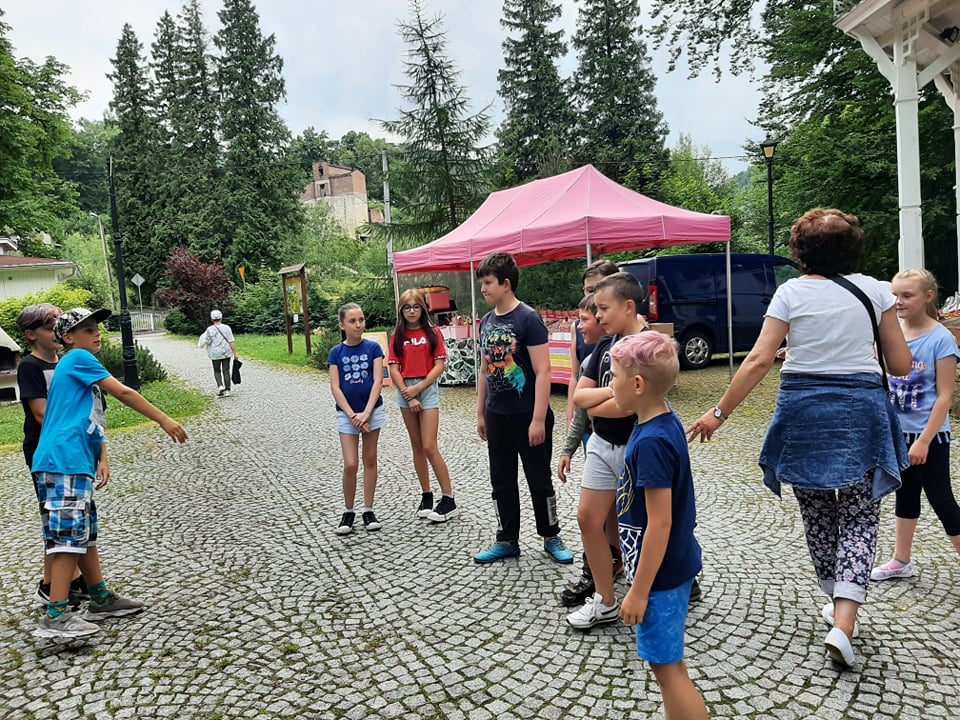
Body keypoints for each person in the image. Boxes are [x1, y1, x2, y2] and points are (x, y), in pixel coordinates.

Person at [686, 208, 912, 669]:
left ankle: (837, 604)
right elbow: (901, 365)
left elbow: (757, 361)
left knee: (817, 514)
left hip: (803, 411)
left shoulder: (790, 292)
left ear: (801, 250)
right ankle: (844, 620)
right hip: (862, 411)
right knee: (860, 516)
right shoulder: (876, 291)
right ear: (854, 248)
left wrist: (719, 413)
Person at [32, 308, 189, 639]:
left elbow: (91, 418)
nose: (97, 334)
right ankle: (56, 615)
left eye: (97, 328)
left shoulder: (75, 365)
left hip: (73, 462)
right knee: (67, 539)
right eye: (88, 329)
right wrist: (163, 419)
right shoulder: (78, 358)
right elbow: (124, 392)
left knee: (84, 535)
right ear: (68, 338)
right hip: (63, 461)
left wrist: (100, 456)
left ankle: (100, 597)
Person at [611, 332, 707, 720]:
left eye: (614, 376)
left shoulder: (652, 441)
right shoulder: (661, 420)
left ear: (637, 384)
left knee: (669, 672)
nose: (610, 384)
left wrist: (638, 592)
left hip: (659, 579)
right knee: (669, 667)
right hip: (665, 571)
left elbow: (661, 522)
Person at [473, 252, 574, 564]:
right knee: (501, 480)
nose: (483, 289)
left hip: (528, 415)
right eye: (482, 283)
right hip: (497, 414)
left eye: (488, 282)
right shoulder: (487, 321)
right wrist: (480, 412)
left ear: (506, 284)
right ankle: (506, 538)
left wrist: (538, 418)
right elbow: (484, 369)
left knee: (539, 479)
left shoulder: (528, 319)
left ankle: (551, 534)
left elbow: (544, 371)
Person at [566, 272, 647, 628]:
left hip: (637, 446)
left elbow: (628, 408)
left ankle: (647, 593)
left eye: (603, 308)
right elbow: (579, 398)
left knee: (641, 524)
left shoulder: (647, 346)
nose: (597, 316)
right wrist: (613, 394)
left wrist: (601, 403)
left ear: (627, 307)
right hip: (601, 445)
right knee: (588, 518)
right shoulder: (604, 346)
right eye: (595, 309)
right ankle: (605, 600)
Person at [872, 269, 960, 580]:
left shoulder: (941, 339)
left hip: (929, 436)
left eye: (907, 295)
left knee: (941, 499)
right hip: (898, 434)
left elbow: (944, 397)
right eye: (894, 295)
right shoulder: (892, 334)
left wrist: (923, 440)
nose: (898, 301)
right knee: (905, 494)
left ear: (927, 297)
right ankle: (901, 561)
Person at [16, 303, 90, 610]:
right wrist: (74, 425)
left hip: (72, 450)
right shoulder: (30, 367)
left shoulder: (65, 362)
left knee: (74, 516)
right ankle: (50, 586)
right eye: (49, 328)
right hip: (46, 450)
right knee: (56, 518)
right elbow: (40, 412)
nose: (57, 333)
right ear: (31, 334)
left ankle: (74, 579)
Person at [388, 289, 458, 523]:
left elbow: (439, 366)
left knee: (429, 445)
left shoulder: (433, 333)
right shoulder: (397, 336)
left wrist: (419, 388)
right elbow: (393, 368)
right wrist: (408, 395)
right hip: (405, 391)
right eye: (407, 307)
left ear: (423, 308)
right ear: (401, 310)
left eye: (416, 307)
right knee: (417, 445)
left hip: (426, 389)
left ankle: (448, 498)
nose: (411, 311)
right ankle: (426, 494)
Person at [328, 302, 385, 535]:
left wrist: (367, 413)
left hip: (372, 411)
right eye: (352, 321)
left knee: (369, 459)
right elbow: (336, 387)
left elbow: (378, 381)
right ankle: (348, 510)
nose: (358, 324)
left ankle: (368, 509)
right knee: (351, 463)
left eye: (361, 320)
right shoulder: (336, 353)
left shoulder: (374, 348)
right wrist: (353, 415)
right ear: (342, 325)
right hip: (347, 414)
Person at [566, 260, 620, 429]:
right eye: (589, 290)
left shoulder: (628, 326)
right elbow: (575, 376)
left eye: (598, 289)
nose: (594, 296)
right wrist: (570, 418)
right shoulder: (578, 328)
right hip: (587, 423)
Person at [199, 309, 238, 397]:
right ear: (221, 317)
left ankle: (220, 386)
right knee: (226, 370)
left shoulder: (209, 329)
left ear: (212, 319)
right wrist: (235, 352)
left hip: (215, 353)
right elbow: (231, 341)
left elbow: (208, 341)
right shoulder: (227, 328)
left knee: (217, 371)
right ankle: (227, 390)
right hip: (226, 352)